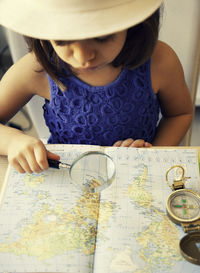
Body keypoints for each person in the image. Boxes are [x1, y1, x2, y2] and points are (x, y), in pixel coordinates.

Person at [0, 0, 193, 174]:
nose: (83, 57)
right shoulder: (36, 70)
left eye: (101, 37)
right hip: (65, 175)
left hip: (136, 173)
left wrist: (150, 157)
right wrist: (12, 141)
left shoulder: (159, 61)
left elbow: (179, 114)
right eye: (62, 40)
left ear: (132, 21)